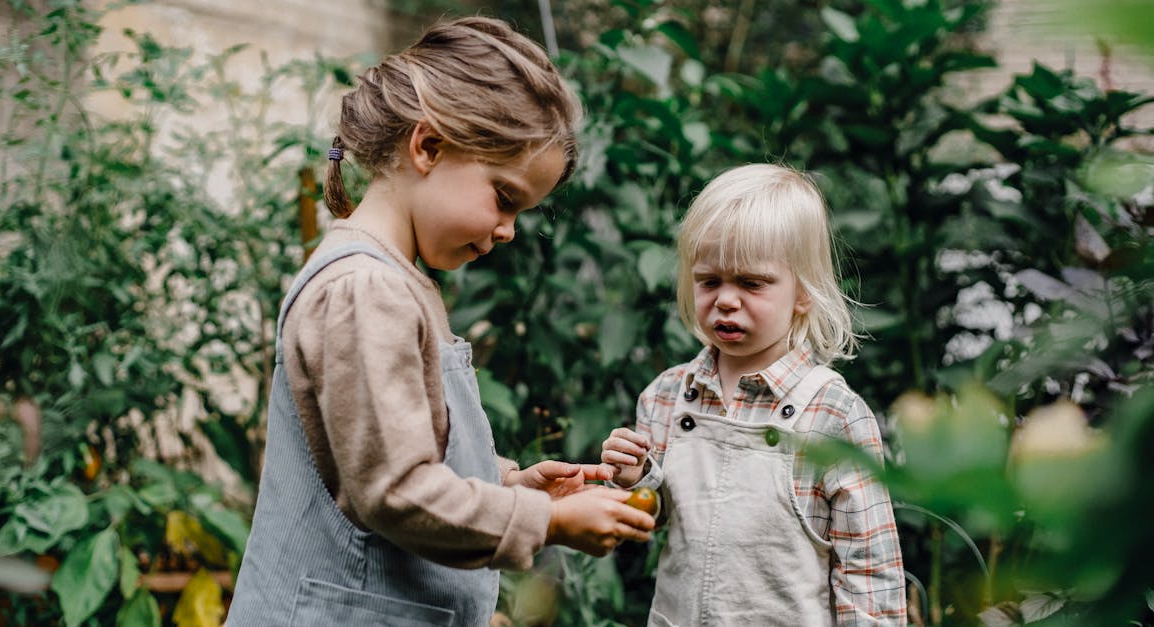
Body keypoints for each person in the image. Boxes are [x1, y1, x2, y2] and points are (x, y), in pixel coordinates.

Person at [228, 17, 654, 626]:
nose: (508, 229)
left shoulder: (395, 282)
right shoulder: (363, 290)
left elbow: (403, 447)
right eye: (504, 197)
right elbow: (396, 490)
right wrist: (550, 523)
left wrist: (513, 487)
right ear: (427, 147)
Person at [600, 164, 906, 626]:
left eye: (751, 283)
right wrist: (635, 478)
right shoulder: (668, 395)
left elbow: (869, 568)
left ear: (803, 292)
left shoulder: (832, 414)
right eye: (709, 281)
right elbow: (658, 518)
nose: (725, 300)